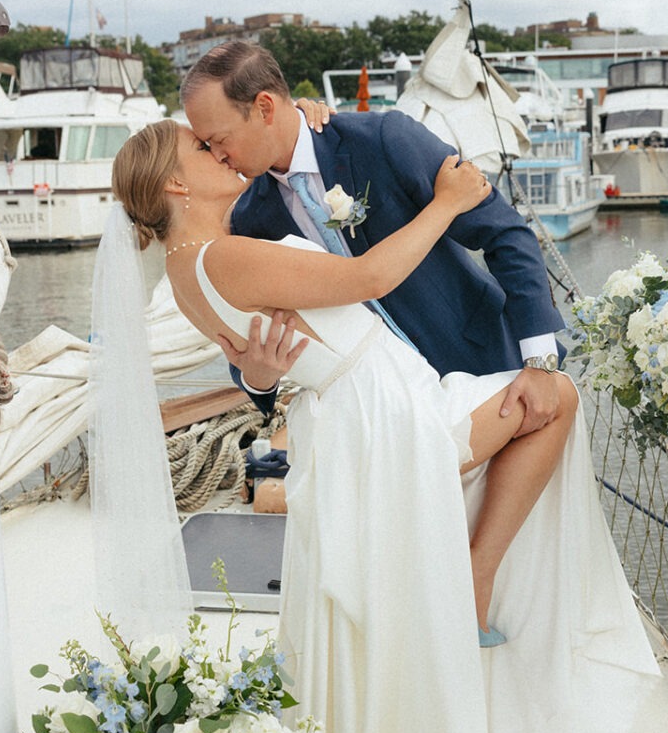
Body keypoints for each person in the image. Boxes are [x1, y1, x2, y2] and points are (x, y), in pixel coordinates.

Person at [110, 120, 660, 733]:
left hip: (368, 415)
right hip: (389, 427)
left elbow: (265, 356)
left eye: (217, 138)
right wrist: (448, 201)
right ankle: (481, 586)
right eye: (200, 151)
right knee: (556, 399)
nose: (219, 152)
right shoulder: (223, 253)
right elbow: (366, 281)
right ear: (174, 184)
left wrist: (265, 379)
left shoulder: (187, 267)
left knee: (418, 604)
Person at [180, 42, 566, 437]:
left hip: (495, 375)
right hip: (382, 422)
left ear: (264, 108)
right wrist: (258, 379)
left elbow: (506, 234)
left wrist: (539, 363)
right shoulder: (250, 221)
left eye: (219, 139)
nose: (216, 155)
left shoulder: (385, 140)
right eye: (205, 144)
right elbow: (253, 342)